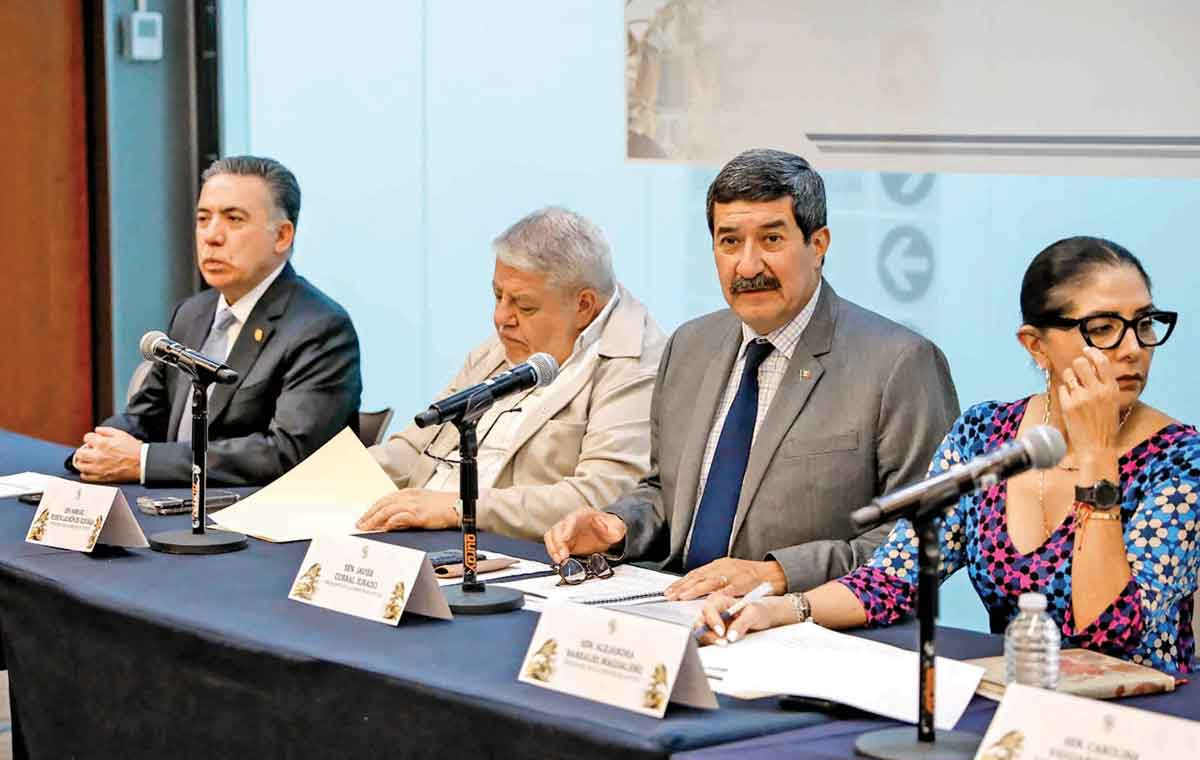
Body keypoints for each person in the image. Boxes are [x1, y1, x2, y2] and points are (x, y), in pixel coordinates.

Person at [698, 236, 1197, 676]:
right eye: (1104, 328)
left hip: (1137, 726)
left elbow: (1112, 637)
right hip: (1018, 706)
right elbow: (896, 578)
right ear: (1036, 346)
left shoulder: (1179, 457)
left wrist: (1097, 457)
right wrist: (784, 609)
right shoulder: (986, 433)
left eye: (1145, 324)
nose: (1133, 348)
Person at [544, 148, 959, 597]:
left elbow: (926, 537)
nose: (747, 266)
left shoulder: (900, 363)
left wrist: (777, 576)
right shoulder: (688, 346)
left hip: (811, 631)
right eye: (729, 242)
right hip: (679, 608)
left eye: (771, 240)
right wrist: (617, 525)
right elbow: (668, 492)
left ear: (817, 245)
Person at [358, 207, 666, 541]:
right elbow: (417, 444)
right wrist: (324, 483)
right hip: (420, 530)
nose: (501, 317)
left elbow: (598, 501)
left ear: (584, 305)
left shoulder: (636, 364)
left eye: (525, 306)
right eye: (497, 296)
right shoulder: (507, 342)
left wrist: (459, 508)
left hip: (500, 549)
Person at [70, 155, 362, 486]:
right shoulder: (192, 313)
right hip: (173, 503)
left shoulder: (319, 327)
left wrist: (144, 461)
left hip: (256, 519)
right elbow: (147, 415)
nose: (211, 236)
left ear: (282, 236)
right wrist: (99, 448)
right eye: (203, 218)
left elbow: (287, 453)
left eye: (234, 219)